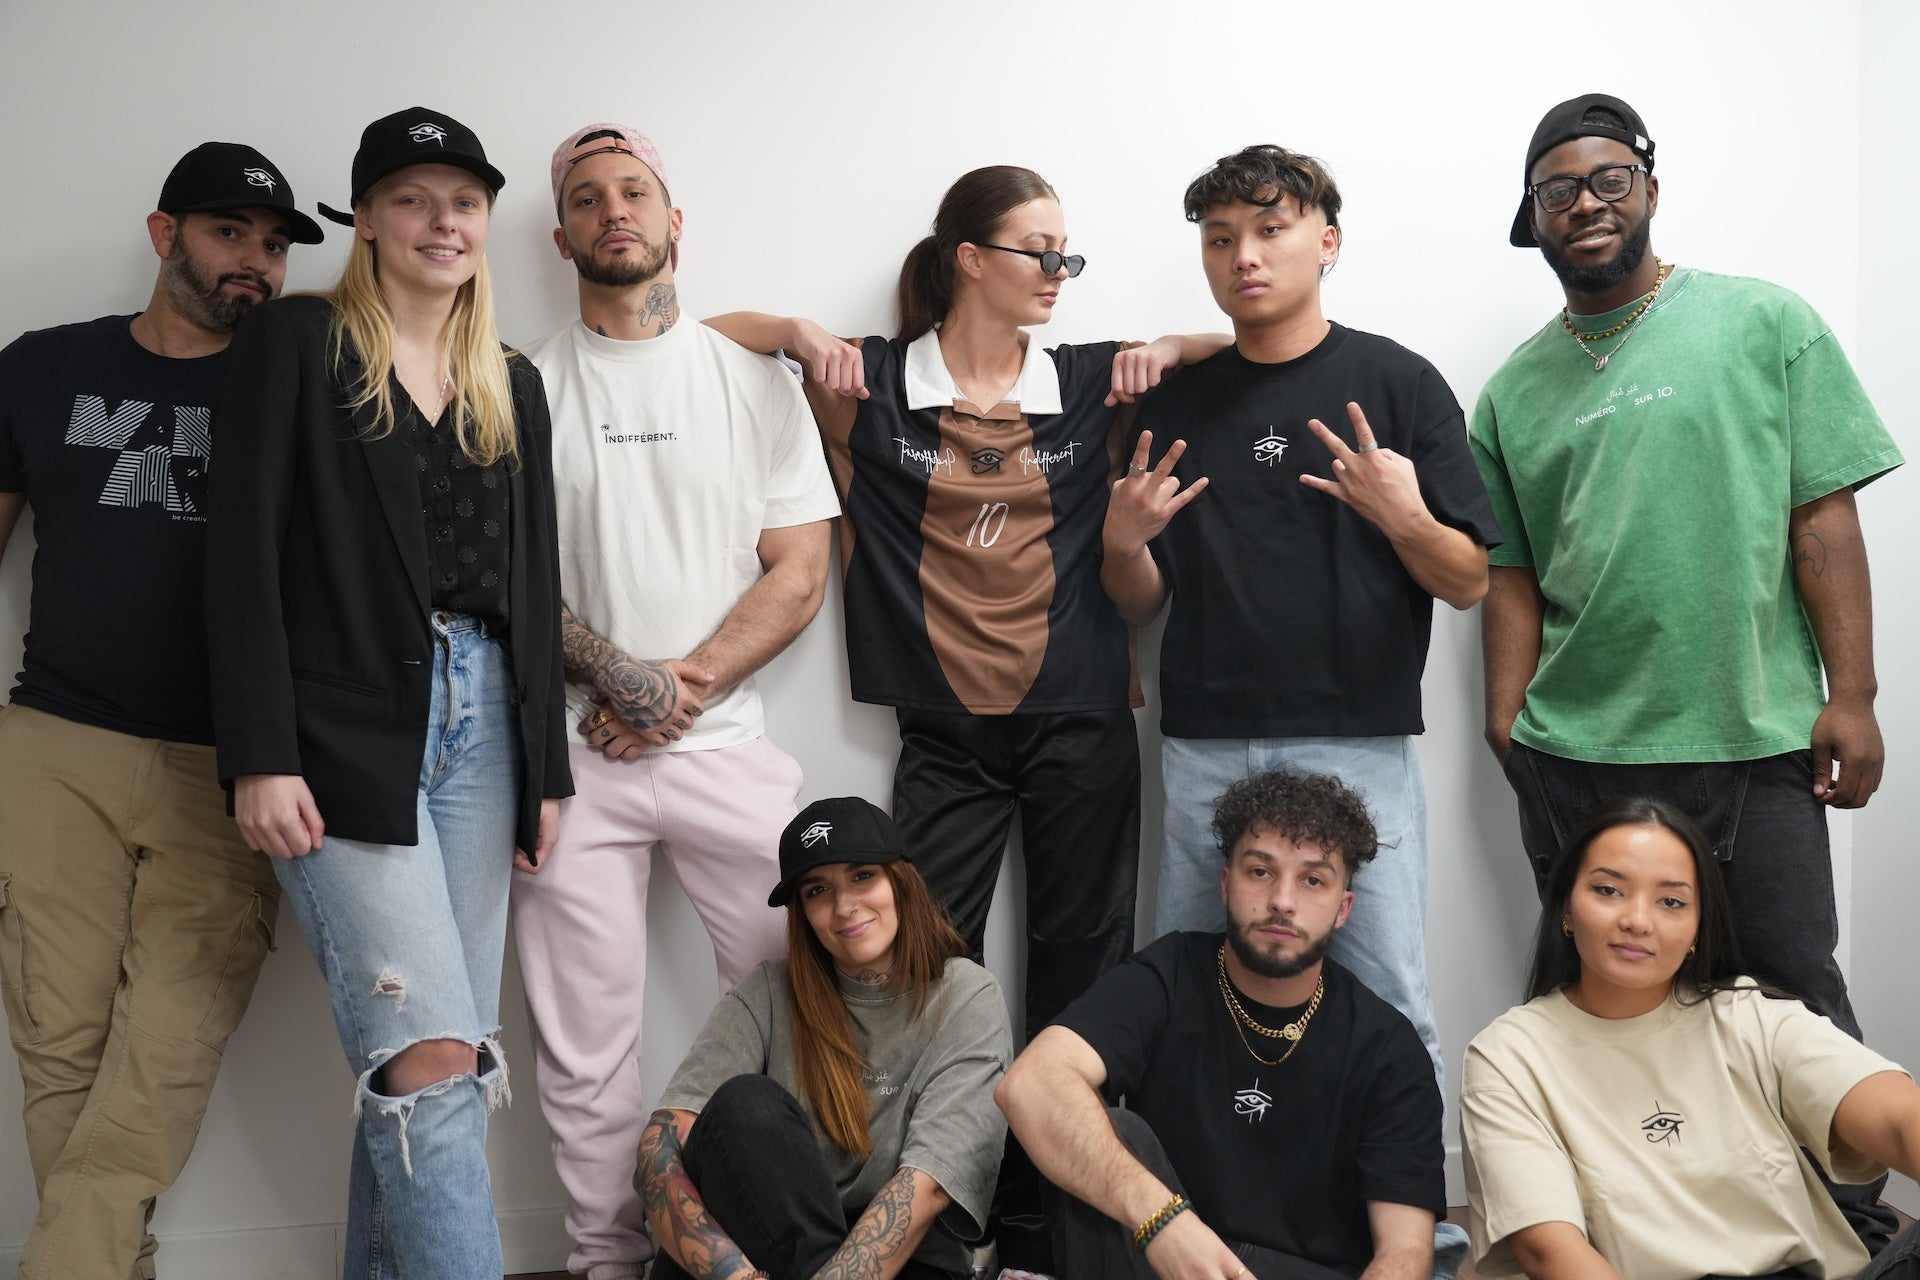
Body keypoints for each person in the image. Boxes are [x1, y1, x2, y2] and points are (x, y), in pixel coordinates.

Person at [707, 165, 1226, 1269]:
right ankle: (937, 1224)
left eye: (1066, 251)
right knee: (923, 976)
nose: (1059, 271)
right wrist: (795, 330)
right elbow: (690, 347)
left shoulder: (1089, 380)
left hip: (1083, 715)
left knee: (1083, 970)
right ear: (969, 259)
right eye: (1039, 249)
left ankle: (1053, 1230)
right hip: (942, 730)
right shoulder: (874, 380)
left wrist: (1174, 346)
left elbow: (1257, 346)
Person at [1471, 93, 1902, 1244]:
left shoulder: (1765, 322)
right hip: (1577, 754)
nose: (1586, 202)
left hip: (1751, 734)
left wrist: (1853, 694)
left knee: (1794, 991)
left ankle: (1847, 1226)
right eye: (1558, 190)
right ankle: (1619, 1224)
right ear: (1533, 218)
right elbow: (1510, 573)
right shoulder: (1512, 390)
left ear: (1650, 188)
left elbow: (1822, 514)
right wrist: (1504, 717)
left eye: (1609, 178)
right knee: (1599, 1012)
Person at [203, 106, 570, 1278]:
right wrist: (260, 751)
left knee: (429, 1061)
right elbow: (239, 555)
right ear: (364, 218)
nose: (441, 221)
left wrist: (546, 767)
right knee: (434, 1058)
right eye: (412, 198)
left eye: (463, 201)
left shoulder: (511, 380)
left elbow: (535, 579)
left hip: (487, 725)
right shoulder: (299, 344)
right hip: (340, 727)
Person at [509, 121, 842, 1280]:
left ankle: (786, 1241)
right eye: (587, 198)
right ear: (561, 238)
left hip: (726, 748)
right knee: (583, 1040)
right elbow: (502, 580)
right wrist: (620, 687)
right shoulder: (516, 387)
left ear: (674, 220)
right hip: (566, 761)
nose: (614, 210)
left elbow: (800, 569)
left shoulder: (751, 380)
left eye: (635, 190)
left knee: (802, 1000)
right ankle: (609, 1260)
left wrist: (675, 689)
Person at [1103, 144, 1499, 1095]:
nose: (1244, 255)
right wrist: (1121, 546)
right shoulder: (1176, 402)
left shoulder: (1398, 383)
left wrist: (1403, 517)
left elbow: (1469, 580)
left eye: (1270, 230)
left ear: (1327, 242)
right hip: (1206, 743)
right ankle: (1188, 1187)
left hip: (1356, 741)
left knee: (1387, 993)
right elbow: (1143, 602)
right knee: (1188, 989)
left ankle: (1410, 1196)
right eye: (1219, 238)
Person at [0, 139, 321, 1280]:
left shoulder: (302, 378)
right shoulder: (43, 366)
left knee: (167, 1046)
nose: (256, 261)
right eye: (231, 232)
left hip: (232, 760)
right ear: (163, 233)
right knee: (60, 1042)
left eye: (275, 245)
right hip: (57, 742)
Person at [997, 768, 1445, 1280]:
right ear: (1227, 884)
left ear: (1343, 909)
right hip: (1167, 1261)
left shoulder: (1388, 1046)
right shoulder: (1169, 975)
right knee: (1107, 1132)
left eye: (1312, 880)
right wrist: (1163, 1222)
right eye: (1261, 872)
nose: (1282, 901)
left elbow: (1404, 1251)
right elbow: (1029, 1084)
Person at [1461, 797, 1920, 1280]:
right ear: (1566, 909)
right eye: (1608, 890)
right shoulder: (1508, 1057)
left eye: (1671, 902)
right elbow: (1550, 1251)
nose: (1638, 920)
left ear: (1698, 928)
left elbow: (1898, 1119)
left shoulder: (1747, 1015)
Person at [637, 796, 1013, 1280]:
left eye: (862, 876)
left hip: (904, 1264)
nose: (844, 907)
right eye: (817, 890)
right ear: (803, 912)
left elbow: (930, 1185)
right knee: (744, 1105)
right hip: (761, 1256)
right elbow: (659, 1148)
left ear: (901, 882)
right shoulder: (769, 991)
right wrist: (733, 1275)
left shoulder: (966, 995)